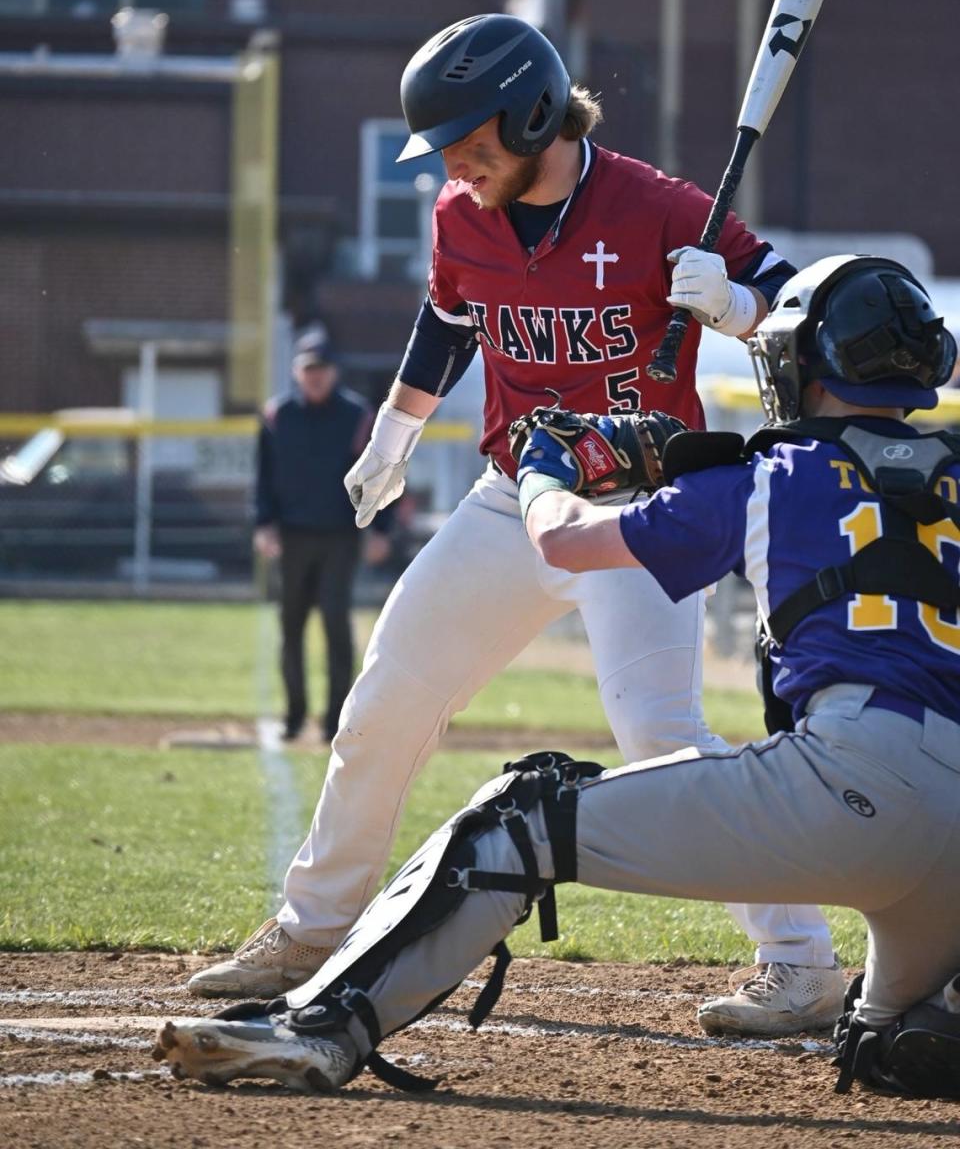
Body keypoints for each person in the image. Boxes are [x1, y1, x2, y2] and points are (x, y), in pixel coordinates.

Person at [155, 255, 960, 1100]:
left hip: (850, 780)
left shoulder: (771, 473)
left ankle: (318, 1030)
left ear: (805, 364)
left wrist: (547, 467)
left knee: (515, 817)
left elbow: (568, 544)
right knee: (889, 1041)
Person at [186, 12, 842, 1033]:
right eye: (445, 147)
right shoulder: (460, 212)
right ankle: (314, 928)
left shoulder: (658, 205)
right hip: (512, 497)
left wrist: (741, 306)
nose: (456, 162)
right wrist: (396, 433)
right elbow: (449, 318)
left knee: (663, 737)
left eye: (471, 139)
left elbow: (799, 302)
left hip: (641, 508)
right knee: (386, 698)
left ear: (535, 111)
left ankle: (801, 965)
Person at [254, 325, 390, 743]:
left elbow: (378, 474)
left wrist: (381, 529)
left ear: (334, 372)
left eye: (323, 367)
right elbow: (263, 477)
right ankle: (294, 716)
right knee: (290, 623)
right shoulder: (278, 415)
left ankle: (335, 720)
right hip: (292, 535)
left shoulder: (357, 415)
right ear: (296, 370)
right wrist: (263, 524)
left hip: (338, 536)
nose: (316, 375)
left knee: (335, 622)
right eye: (309, 367)